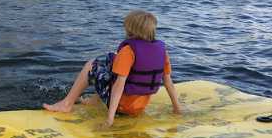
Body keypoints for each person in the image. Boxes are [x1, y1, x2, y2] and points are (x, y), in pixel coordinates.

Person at [43, 10, 181, 127]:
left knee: (91, 65)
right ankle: (93, 101)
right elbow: (168, 81)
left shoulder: (128, 51)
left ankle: (66, 104)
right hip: (139, 107)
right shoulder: (162, 51)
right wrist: (177, 109)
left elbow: (118, 85)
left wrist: (110, 120)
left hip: (122, 107)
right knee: (111, 60)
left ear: (131, 30)